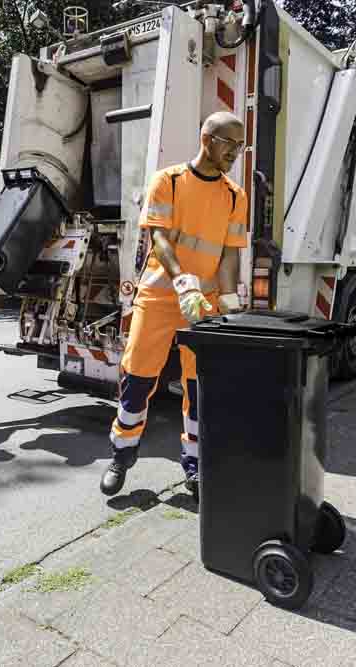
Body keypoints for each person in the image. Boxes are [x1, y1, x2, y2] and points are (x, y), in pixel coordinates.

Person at [100, 111, 249, 499]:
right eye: (230, 142)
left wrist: (230, 303)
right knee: (137, 378)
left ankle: (195, 466)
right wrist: (183, 283)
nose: (236, 151)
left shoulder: (236, 195)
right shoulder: (167, 181)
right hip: (160, 296)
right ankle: (122, 455)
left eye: (241, 145)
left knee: (199, 387)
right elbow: (160, 239)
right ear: (207, 139)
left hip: (206, 305)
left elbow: (231, 253)